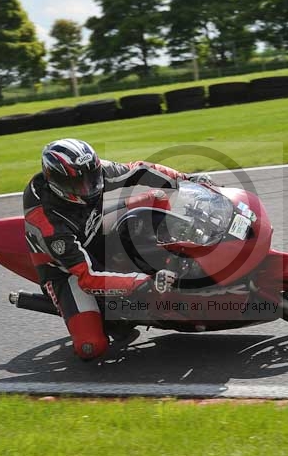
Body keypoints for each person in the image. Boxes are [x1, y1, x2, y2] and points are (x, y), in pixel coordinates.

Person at [23, 138, 197, 360]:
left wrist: (186, 180)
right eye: (78, 184)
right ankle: (103, 314)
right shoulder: (47, 221)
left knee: (157, 198)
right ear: (55, 181)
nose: (88, 187)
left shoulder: (93, 171)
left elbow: (139, 170)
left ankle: (175, 253)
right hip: (66, 270)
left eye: (91, 177)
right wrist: (144, 283)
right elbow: (88, 276)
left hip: (94, 228)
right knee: (91, 347)